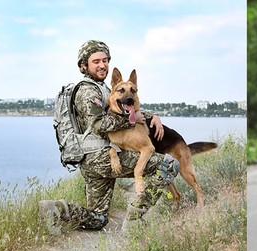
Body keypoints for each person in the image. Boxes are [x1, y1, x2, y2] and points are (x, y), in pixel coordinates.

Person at [48, 40, 177, 230]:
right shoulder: (87, 91)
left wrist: (151, 115)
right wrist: (133, 120)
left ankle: (58, 211)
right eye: (96, 61)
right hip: (100, 158)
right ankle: (134, 219)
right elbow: (100, 125)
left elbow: (122, 108)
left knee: (98, 219)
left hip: (95, 158)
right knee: (169, 164)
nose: (102, 65)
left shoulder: (103, 88)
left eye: (105, 60)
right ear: (84, 65)